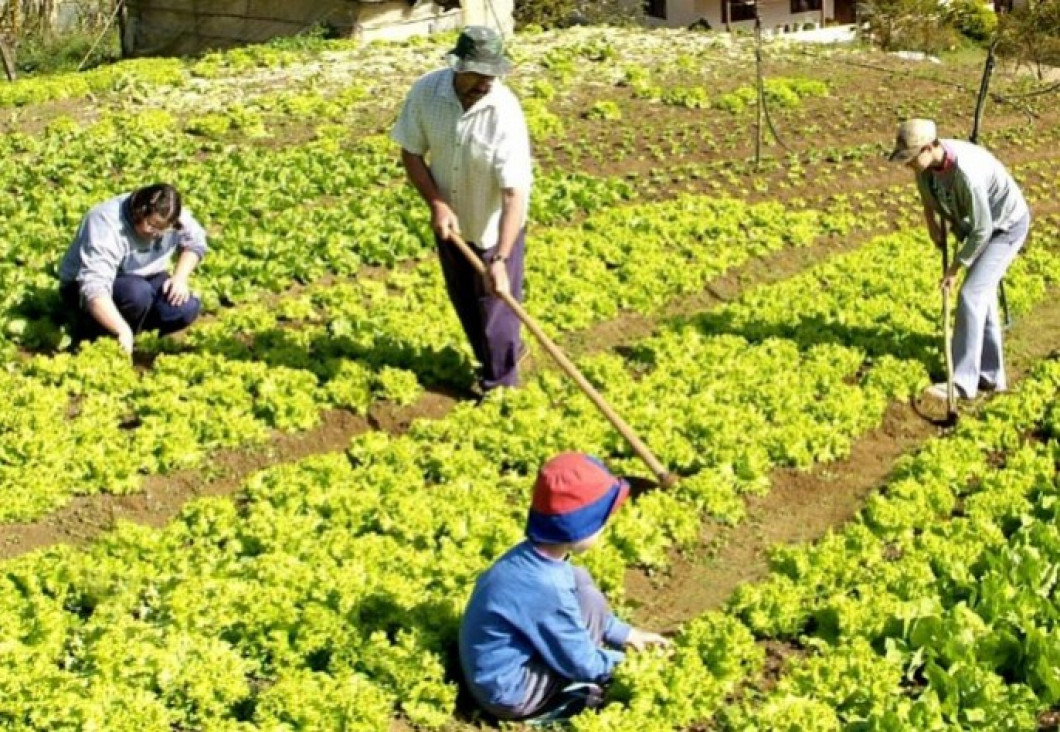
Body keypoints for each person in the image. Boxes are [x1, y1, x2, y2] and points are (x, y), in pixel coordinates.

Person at [459, 453, 670, 723]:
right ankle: (555, 710)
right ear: (581, 528)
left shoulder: (530, 560)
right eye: (602, 521)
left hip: (494, 671)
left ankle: (600, 656)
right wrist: (633, 666)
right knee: (591, 686)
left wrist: (628, 635)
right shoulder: (546, 588)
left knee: (583, 585)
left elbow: (578, 605)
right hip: (510, 692)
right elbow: (580, 662)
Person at [391, 25, 532, 394]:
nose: (486, 82)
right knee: (467, 304)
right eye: (478, 73)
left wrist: (500, 258)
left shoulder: (504, 111)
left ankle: (500, 386)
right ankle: (498, 359)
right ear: (458, 67)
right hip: (451, 225)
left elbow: (514, 193)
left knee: (496, 309)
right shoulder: (427, 92)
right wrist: (437, 203)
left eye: (492, 74)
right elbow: (411, 150)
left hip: (494, 227)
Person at [889, 118, 1030, 400]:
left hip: (1004, 228)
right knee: (982, 297)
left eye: (910, 158)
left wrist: (954, 269)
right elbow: (926, 193)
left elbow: (982, 230)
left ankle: (963, 382)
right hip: (978, 226)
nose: (908, 164)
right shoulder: (926, 165)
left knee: (970, 295)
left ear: (929, 148)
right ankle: (991, 377)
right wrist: (930, 222)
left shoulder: (967, 173)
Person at [58, 183, 207, 354]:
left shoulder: (171, 215)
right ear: (139, 212)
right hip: (85, 289)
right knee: (136, 294)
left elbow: (195, 242)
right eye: (151, 226)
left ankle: (133, 332)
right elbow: (93, 288)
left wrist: (179, 278)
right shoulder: (106, 222)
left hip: (147, 277)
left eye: (164, 230)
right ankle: (94, 332)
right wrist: (121, 329)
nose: (157, 234)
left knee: (184, 307)